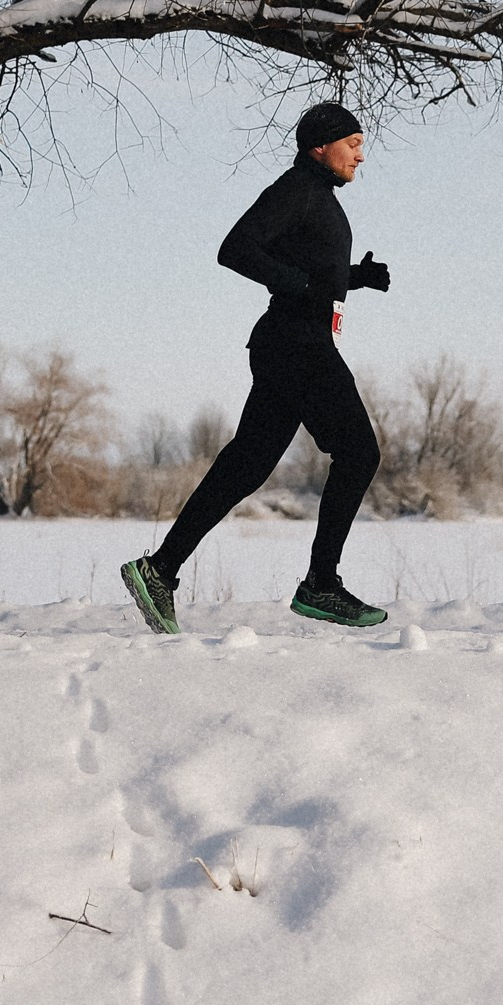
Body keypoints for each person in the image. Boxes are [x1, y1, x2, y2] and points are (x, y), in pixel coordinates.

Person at [120, 103, 392, 633]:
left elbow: (307, 265)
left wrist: (355, 278)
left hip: (288, 342)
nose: (362, 153)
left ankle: (159, 570)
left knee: (246, 465)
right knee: (358, 452)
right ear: (320, 146)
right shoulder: (295, 190)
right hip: (298, 343)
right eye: (353, 142)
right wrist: (306, 287)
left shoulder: (316, 197)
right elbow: (236, 249)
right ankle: (321, 585)